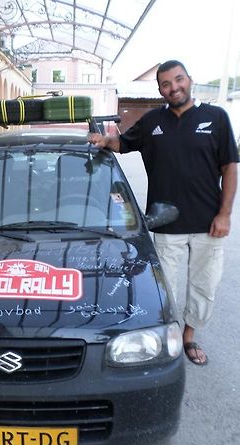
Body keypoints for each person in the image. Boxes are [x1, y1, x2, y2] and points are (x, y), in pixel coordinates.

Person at [89, 60, 238, 366]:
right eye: (166, 84)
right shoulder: (152, 120)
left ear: (190, 80)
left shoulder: (216, 117)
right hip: (165, 222)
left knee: (203, 285)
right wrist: (105, 141)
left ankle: (189, 337)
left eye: (178, 80)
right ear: (160, 90)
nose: (174, 87)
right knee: (164, 287)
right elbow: (123, 143)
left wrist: (224, 214)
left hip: (208, 223)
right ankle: (167, 337)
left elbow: (230, 167)